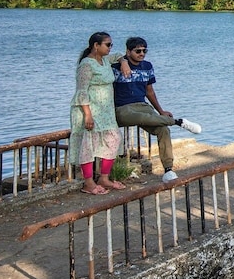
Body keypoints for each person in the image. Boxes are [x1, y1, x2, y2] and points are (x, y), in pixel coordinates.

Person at [112, 37, 203, 183]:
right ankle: (178, 122)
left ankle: (168, 170)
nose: (142, 54)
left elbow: (150, 91)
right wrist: (122, 61)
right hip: (122, 109)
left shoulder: (147, 66)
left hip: (142, 106)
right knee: (142, 118)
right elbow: (102, 57)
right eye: (138, 51)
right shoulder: (116, 67)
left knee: (163, 129)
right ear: (128, 51)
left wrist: (161, 111)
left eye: (144, 51)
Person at [71, 32, 127, 195]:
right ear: (96, 45)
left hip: (106, 111)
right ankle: (88, 183)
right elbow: (81, 91)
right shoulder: (86, 65)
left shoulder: (104, 60)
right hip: (90, 110)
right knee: (89, 144)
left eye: (111, 45)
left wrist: (124, 62)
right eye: (107, 44)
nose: (110, 48)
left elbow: (118, 56)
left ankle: (104, 178)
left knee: (114, 139)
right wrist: (87, 114)